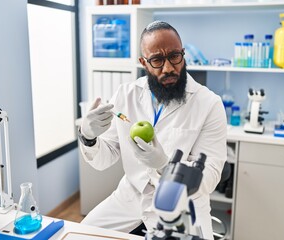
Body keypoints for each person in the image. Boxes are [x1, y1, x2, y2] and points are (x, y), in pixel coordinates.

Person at [79, 20, 227, 240]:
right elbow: (104, 159)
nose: (168, 68)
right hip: (130, 196)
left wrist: (165, 166)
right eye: (157, 60)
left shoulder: (209, 104)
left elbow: (210, 176)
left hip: (182, 204)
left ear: (183, 54)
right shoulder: (125, 94)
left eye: (175, 56)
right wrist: (88, 136)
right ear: (143, 62)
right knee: (81, 234)